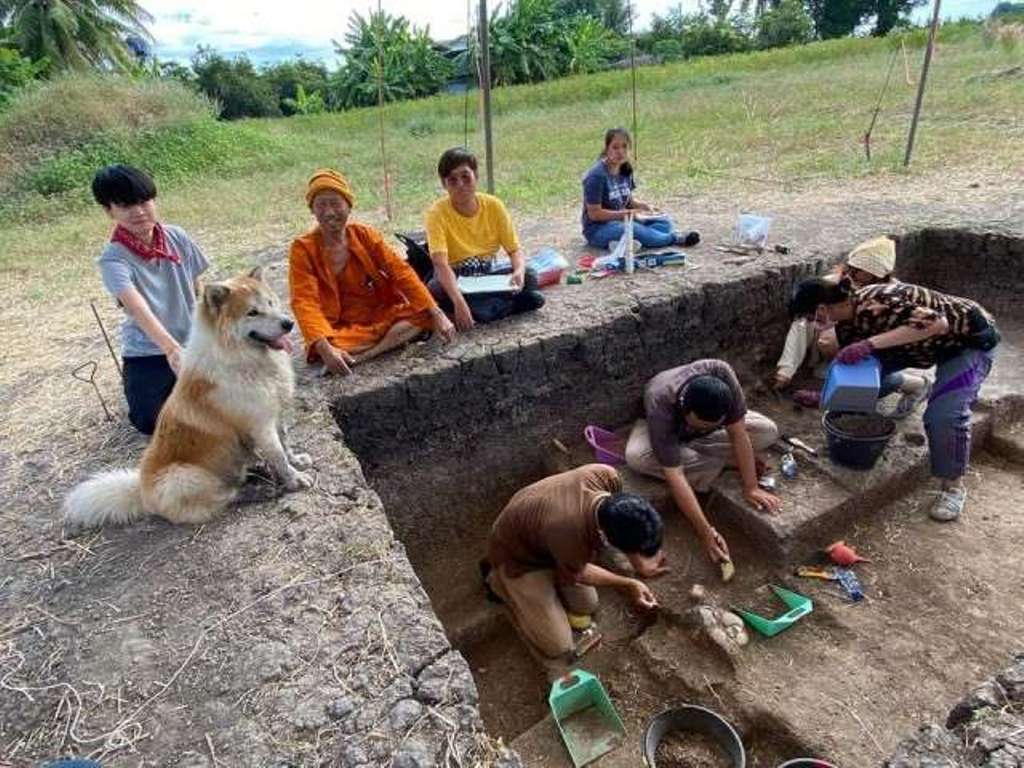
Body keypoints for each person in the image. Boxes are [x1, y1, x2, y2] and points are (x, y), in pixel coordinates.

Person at [789, 277, 1000, 522]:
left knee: (943, 415)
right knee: (863, 375)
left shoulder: (878, 301)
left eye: (811, 318)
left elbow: (937, 323)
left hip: (967, 341)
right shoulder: (847, 323)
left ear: (822, 309)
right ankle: (917, 385)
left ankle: (953, 487)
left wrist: (869, 343)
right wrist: (829, 397)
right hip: (926, 345)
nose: (814, 326)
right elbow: (861, 377)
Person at [484, 464, 663, 661]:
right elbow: (583, 573)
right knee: (559, 646)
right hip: (518, 556)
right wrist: (630, 583)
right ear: (604, 536)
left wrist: (640, 565)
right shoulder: (568, 534)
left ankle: (557, 573)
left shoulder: (607, 476)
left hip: (545, 535)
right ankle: (498, 582)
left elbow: (626, 525)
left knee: (587, 605)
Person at [289, 169, 455, 375]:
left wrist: (436, 313)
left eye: (335, 203)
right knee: (325, 343)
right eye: (321, 205)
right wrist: (325, 347)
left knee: (423, 314)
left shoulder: (365, 235)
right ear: (312, 210)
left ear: (348, 207)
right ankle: (342, 352)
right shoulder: (302, 248)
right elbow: (304, 301)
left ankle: (366, 356)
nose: (329, 212)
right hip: (337, 327)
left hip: (378, 314)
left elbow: (401, 272)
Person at [625, 360, 782, 564]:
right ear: (686, 410)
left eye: (714, 424)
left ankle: (695, 454)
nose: (704, 427)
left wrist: (751, 487)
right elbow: (676, 476)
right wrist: (705, 532)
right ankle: (722, 462)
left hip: (700, 437)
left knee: (768, 431)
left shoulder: (721, 373)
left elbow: (738, 433)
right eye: (700, 425)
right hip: (662, 431)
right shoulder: (661, 402)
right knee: (637, 457)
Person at [92, 164, 209, 435]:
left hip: (192, 338)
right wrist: (171, 349)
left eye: (144, 201)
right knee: (149, 419)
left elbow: (196, 286)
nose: (139, 211)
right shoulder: (113, 259)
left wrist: (206, 329)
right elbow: (136, 306)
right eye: (125, 205)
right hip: (149, 350)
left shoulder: (176, 236)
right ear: (109, 210)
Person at [776, 236, 929, 419]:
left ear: (877, 275)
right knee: (828, 345)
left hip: (877, 350)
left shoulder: (888, 297)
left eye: (858, 271)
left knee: (863, 384)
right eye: (851, 268)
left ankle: (915, 384)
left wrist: (865, 348)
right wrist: (786, 370)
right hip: (846, 345)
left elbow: (916, 329)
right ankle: (835, 374)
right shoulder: (832, 285)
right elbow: (803, 322)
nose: (851, 275)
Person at [424, 147, 545, 331]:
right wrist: (458, 301)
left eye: (466, 177)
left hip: (486, 271)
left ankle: (483, 310)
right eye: (452, 180)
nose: (461, 185)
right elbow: (440, 264)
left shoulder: (493, 206)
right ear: (444, 184)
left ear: (476, 175)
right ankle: (501, 306)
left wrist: (518, 271)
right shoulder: (436, 213)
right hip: (456, 276)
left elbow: (514, 250)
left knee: (529, 275)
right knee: (435, 289)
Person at [581, 127, 700, 251]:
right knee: (633, 229)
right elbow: (595, 214)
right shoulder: (596, 176)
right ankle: (673, 238)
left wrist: (645, 207)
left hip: (623, 220)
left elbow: (627, 201)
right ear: (606, 149)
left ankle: (626, 243)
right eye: (615, 147)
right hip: (598, 229)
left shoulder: (625, 169)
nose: (620, 152)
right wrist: (626, 214)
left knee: (664, 222)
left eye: (624, 147)